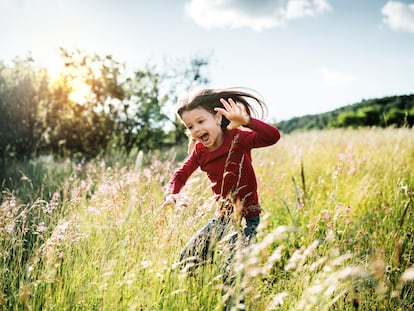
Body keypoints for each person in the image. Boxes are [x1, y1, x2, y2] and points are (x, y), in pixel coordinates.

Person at [164, 87, 281, 269]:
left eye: (200, 121)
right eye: (190, 126)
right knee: (186, 259)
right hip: (223, 218)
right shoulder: (200, 152)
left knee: (232, 270)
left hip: (248, 219)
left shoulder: (238, 138)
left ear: (218, 118)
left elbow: (273, 137)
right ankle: (201, 289)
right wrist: (172, 193)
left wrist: (247, 122)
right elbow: (180, 174)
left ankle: (235, 295)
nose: (196, 129)